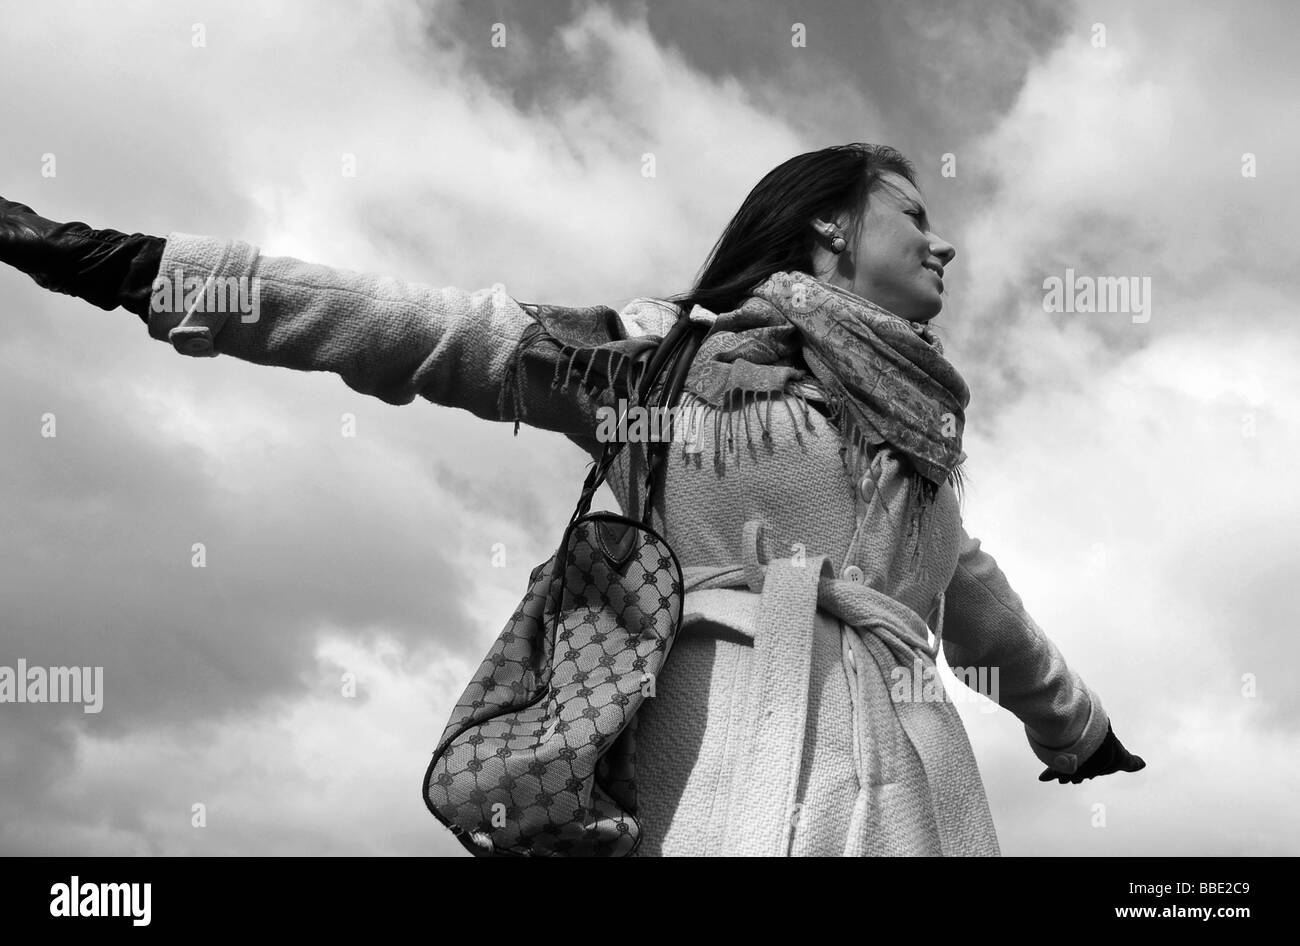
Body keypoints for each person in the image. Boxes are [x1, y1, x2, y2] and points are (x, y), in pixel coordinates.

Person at [0, 142, 1144, 856]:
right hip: (717, 771)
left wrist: (1080, 729)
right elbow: (428, 329)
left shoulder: (923, 446)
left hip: (919, 799)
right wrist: (139, 266)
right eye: (912, 213)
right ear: (831, 225)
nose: (944, 244)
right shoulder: (663, 357)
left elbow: (985, 614)